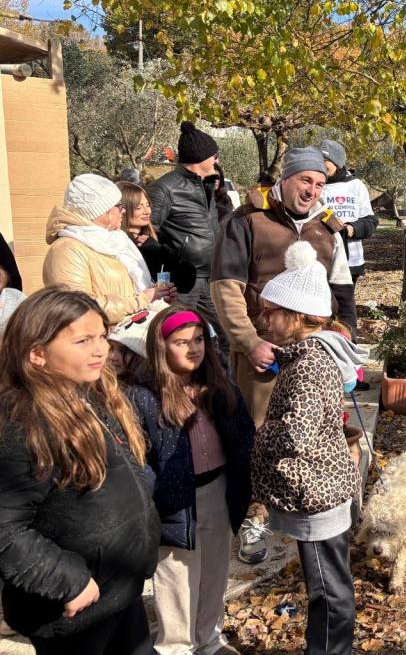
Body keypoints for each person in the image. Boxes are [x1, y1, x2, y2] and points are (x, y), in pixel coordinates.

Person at [212, 147, 354, 564]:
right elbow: (225, 289)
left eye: (320, 184)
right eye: (305, 180)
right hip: (262, 351)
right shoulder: (246, 220)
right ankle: (254, 519)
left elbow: (342, 289)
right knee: (260, 436)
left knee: (316, 432)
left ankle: (308, 512)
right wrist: (248, 341)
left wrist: (344, 335)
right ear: (285, 179)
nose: (312, 191)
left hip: (314, 351)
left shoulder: (327, 227)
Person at [0, 288, 160, 654]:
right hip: (72, 607)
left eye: (102, 336)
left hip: (119, 588)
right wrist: (67, 581)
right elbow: (5, 528)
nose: (100, 349)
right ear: (37, 354)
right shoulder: (22, 425)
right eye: (83, 340)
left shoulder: (93, 397)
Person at [252, 241, 365, 655]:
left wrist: (258, 435)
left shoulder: (308, 364)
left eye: (270, 312)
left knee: (328, 590)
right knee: (330, 583)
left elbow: (294, 435)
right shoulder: (312, 354)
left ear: (296, 315)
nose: (264, 320)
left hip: (316, 493)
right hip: (324, 484)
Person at [124, 307, 254, 655]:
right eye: (181, 342)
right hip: (173, 500)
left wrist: (246, 475)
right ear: (161, 346)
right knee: (177, 578)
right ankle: (177, 647)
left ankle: (209, 639)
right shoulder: (144, 395)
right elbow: (139, 457)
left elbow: (242, 432)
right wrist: (151, 498)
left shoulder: (219, 384)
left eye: (198, 340)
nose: (193, 348)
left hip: (218, 489)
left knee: (214, 570)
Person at [43, 173, 176, 323]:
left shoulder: (116, 239)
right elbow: (76, 308)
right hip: (103, 335)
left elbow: (128, 288)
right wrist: (143, 299)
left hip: (132, 330)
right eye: (119, 206)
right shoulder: (67, 249)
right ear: (100, 211)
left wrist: (158, 295)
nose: (123, 211)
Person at [148, 122, 224, 345]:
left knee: (223, 337)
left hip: (211, 277)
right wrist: (170, 266)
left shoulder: (206, 185)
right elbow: (147, 233)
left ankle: (218, 370)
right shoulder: (164, 188)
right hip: (182, 283)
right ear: (201, 158)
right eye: (214, 156)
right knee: (178, 336)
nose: (217, 161)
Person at [319, 139, 379, 294]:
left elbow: (370, 221)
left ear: (337, 163)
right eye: (319, 159)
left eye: (326, 160)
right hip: (321, 260)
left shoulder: (355, 185)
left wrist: (352, 229)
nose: (321, 164)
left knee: (344, 304)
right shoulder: (316, 185)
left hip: (351, 261)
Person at [118, 181, 197, 294]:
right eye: (138, 207)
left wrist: (159, 250)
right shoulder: (116, 244)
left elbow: (186, 282)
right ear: (122, 210)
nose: (147, 211)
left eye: (147, 205)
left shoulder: (158, 239)